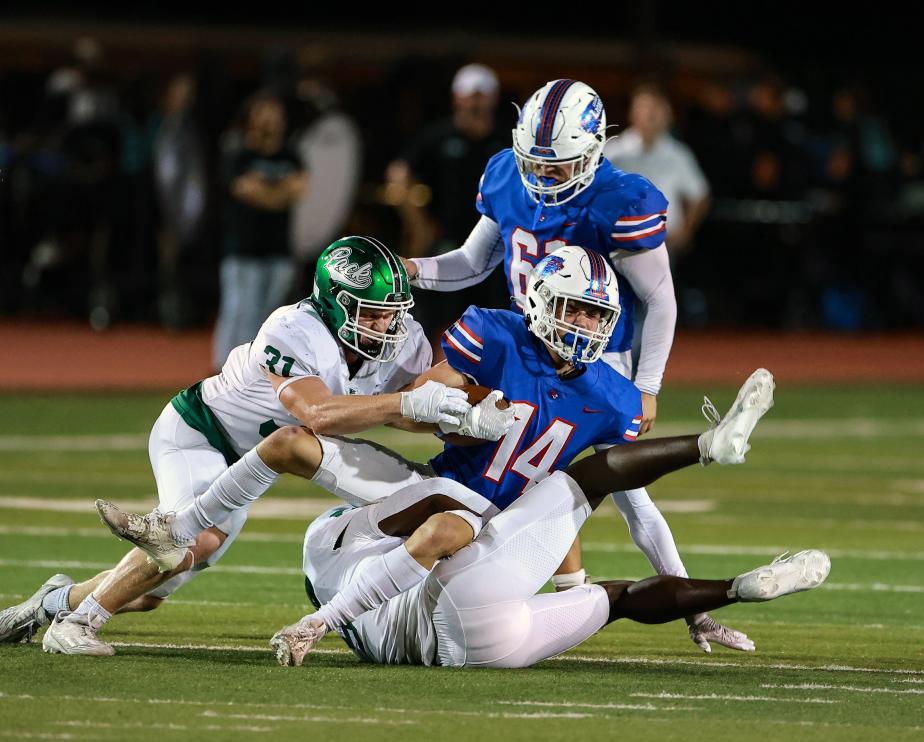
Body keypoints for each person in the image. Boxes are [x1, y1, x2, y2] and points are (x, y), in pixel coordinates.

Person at [95, 246, 756, 654]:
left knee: (159, 587)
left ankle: (63, 603)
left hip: (502, 529)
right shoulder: (493, 335)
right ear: (540, 301)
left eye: (594, 315)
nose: (583, 326)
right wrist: (458, 413)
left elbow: (616, 493)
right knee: (294, 452)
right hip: (430, 495)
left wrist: (686, 602)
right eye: (573, 309)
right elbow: (418, 409)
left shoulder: (610, 395)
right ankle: (176, 533)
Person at [0, 236, 493, 655]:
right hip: (200, 433)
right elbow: (318, 414)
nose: (389, 326)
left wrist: (461, 414)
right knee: (187, 544)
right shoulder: (292, 329)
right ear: (337, 303)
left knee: (152, 592)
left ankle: (46, 604)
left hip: (251, 462)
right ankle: (77, 624)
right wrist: (410, 407)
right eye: (375, 314)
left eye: (393, 313)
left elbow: (405, 408)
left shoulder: (402, 337)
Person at [400, 79, 696, 626]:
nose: (540, 176)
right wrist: (413, 270)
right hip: (524, 345)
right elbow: (472, 263)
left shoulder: (619, 200)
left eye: (555, 165)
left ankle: (682, 602)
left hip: (595, 360)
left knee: (621, 490)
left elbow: (662, 299)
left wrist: (648, 385)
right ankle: (549, 593)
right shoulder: (507, 175)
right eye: (532, 162)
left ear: (591, 152)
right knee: (513, 473)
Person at [270, 364, 800, 668]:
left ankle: (736, 588)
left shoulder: (361, 626)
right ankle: (708, 447)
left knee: (615, 600)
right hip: (457, 598)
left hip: (485, 650)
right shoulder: (329, 541)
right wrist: (322, 621)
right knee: (582, 482)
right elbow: (437, 512)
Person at [385, 63, 510, 348]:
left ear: (494, 98)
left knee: (496, 320)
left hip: (495, 246)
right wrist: (420, 225)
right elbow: (398, 173)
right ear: (457, 97)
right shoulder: (439, 136)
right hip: (448, 241)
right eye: (471, 95)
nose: (476, 102)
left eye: (482, 95)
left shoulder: (506, 139)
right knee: (441, 321)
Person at [212, 90, 307, 371]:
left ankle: (257, 372)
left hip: (279, 250)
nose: (270, 120)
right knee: (239, 313)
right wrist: (278, 194)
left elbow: (299, 189)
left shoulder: (292, 154)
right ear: (252, 119)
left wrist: (266, 192)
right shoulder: (238, 153)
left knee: (272, 317)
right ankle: (226, 372)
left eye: (275, 113)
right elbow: (244, 190)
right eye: (263, 112)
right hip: (243, 249)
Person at [604, 83, 711, 258]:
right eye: (645, 108)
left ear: (667, 114)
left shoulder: (678, 154)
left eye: (657, 108)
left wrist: (686, 231)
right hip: (620, 243)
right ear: (632, 112)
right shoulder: (612, 152)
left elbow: (700, 195)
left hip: (664, 245)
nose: (651, 115)